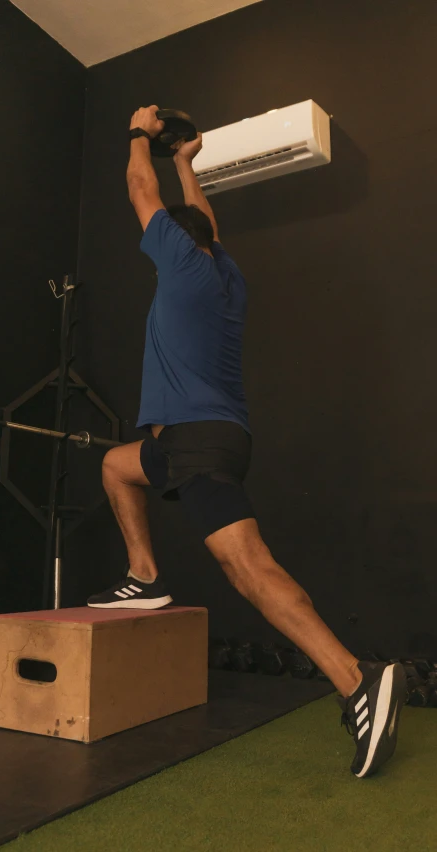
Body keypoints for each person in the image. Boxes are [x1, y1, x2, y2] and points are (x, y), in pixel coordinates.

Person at [87, 105, 407, 778]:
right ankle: (144, 576)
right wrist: (186, 162)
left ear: (171, 241)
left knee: (246, 567)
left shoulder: (179, 262)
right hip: (200, 439)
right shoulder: (223, 272)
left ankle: (355, 680)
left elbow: (140, 194)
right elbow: (200, 217)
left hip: (198, 441)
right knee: (118, 467)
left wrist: (140, 131)